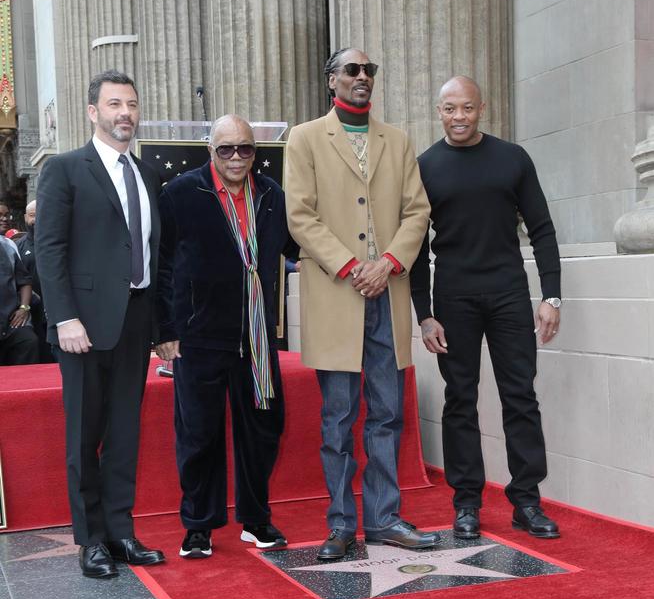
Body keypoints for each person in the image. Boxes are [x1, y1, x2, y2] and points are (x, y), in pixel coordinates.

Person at [285, 47, 437, 561]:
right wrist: (351, 267)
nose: (362, 77)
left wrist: (390, 262)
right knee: (338, 417)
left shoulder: (397, 141)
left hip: (386, 294)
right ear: (332, 80)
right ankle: (340, 524)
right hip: (338, 295)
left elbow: (417, 212)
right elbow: (300, 216)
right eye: (352, 70)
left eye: (369, 70)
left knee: (388, 413)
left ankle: (385, 517)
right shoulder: (306, 138)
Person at [410, 75, 561, 540]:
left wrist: (551, 296)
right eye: (450, 109)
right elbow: (415, 246)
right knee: (461, 400)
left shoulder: (512, 159)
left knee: (521, 396)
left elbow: (542, 229)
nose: (459, 117)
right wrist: (424, 312)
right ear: (439, 111)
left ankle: (527, 502)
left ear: (482, 108)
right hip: (453, 298)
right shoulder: (425, 166)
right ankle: (467, 504)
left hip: (509, 293)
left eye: (468, 108)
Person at [36, 70, 165, 578]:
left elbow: (158, 254)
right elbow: (50, 249)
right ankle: (90, 541)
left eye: (131, 104)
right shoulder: (66, 170)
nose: (124, 114)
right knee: (84, 433)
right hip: (82, 326)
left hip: (135, 320)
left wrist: (162, 327)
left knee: (125, 433)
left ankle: (121, 533)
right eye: (114, 104)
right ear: (93, 112)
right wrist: (64, 316)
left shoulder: (149, 175)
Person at [155, 115, 294, 559]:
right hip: (198, 336)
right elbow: (161, 267)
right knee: (199, 434)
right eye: (226, 149)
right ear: (209, 151)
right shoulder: (180, 193)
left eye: (245, 149)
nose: (236, 158)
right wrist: (165, 330)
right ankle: (199, 526)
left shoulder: (272, 195)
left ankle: (255, 520)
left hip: (256, 335)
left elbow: (300, 246)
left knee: (263, 428)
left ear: (256, 152)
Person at [16, 200, 55, 362]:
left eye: (41, 215)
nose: (36, 220)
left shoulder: (57, 244)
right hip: (31, 310)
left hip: (55, 306)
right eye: (32, 216)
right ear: (25, 217)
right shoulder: (18, 247)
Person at [0, 233, 39, 364]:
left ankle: (25, 384)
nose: (4, 219)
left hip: (10, 321)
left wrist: (24, 307)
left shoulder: (7, 246)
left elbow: (24, 281)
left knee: (29, 341)